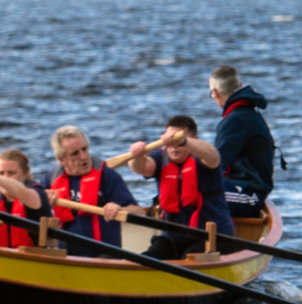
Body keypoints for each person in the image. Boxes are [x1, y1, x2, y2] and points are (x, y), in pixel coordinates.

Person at [126, 113, 235, 258]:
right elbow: (142, 168)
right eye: (171, 141)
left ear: (194, 139)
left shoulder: (203, 157)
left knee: (189, 257)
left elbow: (214, 156)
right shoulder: (161, 157)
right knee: (148, 257)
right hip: (173, 237)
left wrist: (185, 141)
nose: (174, 147)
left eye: (179, 141)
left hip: (213, 238)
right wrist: (137, 156)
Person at [40, 125, 136, 254]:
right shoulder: (51, 180)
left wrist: (120, 209)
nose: (84, 157)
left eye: (85, 149)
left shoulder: (107, 176)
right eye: (75, 153)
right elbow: (29, 204)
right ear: (61, 159)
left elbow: (138, 211)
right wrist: (42, 201)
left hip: (105, 256)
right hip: (65, 256)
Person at [208, 64, 277, 218]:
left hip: (250, 194)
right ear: (239, 86)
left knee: (198, 193)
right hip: (245, 186)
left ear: (215, 92)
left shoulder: (235, 121)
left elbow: (216, 164)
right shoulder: (248, 113)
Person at [0, 148, 50, 248]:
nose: (5, 178)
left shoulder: (35, 193)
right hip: (1, 255)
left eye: (11, 173)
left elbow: (21, 191)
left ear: (25, 174)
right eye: (1, 173)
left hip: (35, 257)